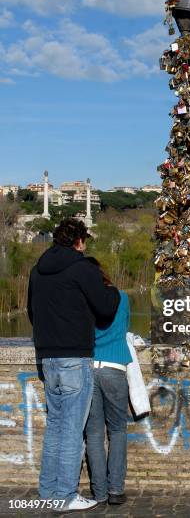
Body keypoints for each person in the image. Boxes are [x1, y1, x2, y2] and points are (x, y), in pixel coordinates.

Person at [27, 218, 121, 512]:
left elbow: (32, 312)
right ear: (79, 241)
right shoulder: (83, 268)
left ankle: (48, 492)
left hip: (46, 357)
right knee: (70, 430)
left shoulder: (36, 271)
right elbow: (105, 310)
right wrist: (114, 293)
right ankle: (66, 496)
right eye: (85, 242)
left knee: (55, 427)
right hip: (73, 358)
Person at [84, 258, 132, 506]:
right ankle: (115, 491)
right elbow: (125, 328)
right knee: (117, 430)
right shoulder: (122, 297)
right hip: (115, 368)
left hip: (90, 368)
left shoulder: (84, 301)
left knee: (93, 434)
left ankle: (99, 493)